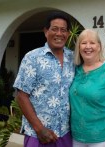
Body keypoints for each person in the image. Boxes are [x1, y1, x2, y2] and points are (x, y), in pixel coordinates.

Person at [13, 11, 74, 147]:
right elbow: (22, 96)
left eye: (63, 30)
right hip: (39, 136)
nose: (59, 33)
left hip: (65, 133)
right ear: (46, 31)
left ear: (68, 34)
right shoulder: (32, 57)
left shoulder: (73, 58)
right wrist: (40, 129)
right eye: (54, 29)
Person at [69, 29, 105, 147]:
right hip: (76, 137)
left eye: (92, 43)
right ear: (79, 47)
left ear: (99, 47)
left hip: (102, 139)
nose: (88, 46)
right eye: (84, 43)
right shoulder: (75, 70)